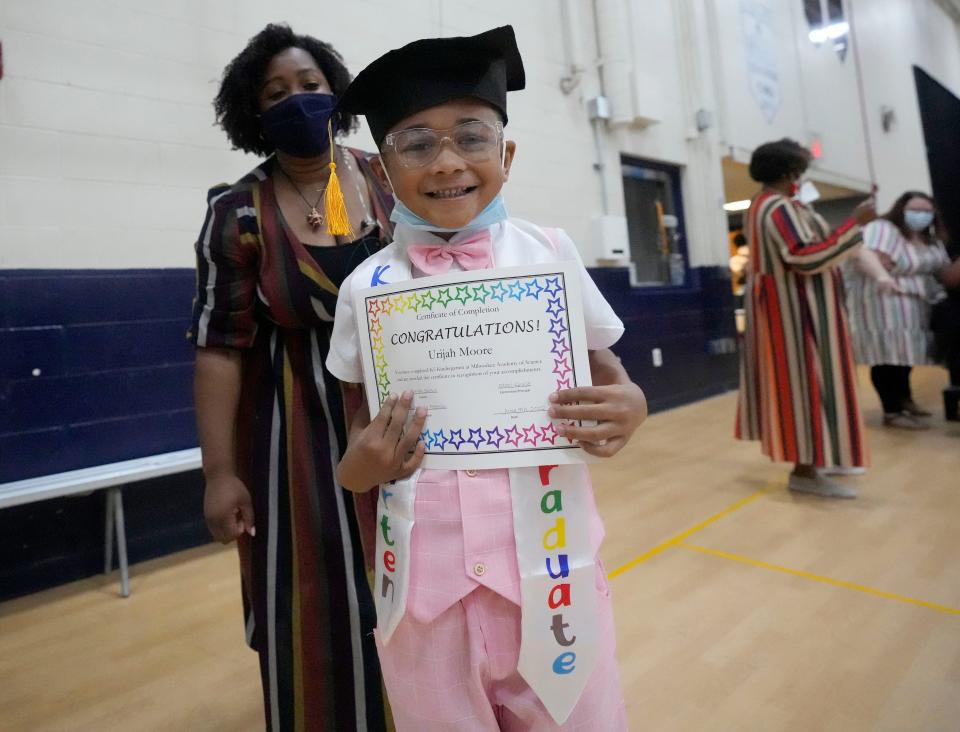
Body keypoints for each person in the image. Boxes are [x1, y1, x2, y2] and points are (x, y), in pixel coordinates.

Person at [325, 26, 647, 731]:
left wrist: (631, 403)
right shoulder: (366, 289)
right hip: (424, 588)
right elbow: (356, 434)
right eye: (416, 143)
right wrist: (358, 469)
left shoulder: (551, 253)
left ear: (504, 153)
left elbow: (612, 376)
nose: (447, 163)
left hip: (552, 572)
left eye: (470, 137)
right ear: (384, 169)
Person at [189, 24, 393, 732]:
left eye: (310, 85)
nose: (297, 100)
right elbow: (218, 349)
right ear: (254, 112)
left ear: (336, 91)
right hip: (292, 436)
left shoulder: (392, 178)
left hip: (405, 414)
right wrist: (220, 471)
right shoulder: (236, 211)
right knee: (312, 597)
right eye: (276, 93)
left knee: (423, 578)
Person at [736, 139, 876, 499]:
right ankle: (805, 470)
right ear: (789, 172)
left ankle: (818, 459)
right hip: (795, 316)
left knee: (809, 387)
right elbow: (805, 257)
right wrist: (855, 224)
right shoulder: (775, 207)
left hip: (797, 312)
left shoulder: (774, 205)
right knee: (804, 387)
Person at [842, 192, 951, 429]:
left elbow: (941, 270)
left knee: (904, 357)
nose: (920, 216)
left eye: (926, 211)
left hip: (916, 307)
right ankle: (891, 410)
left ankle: (905, 399)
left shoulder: (930, 240)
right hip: (884, 304)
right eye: (915, 210)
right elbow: (863, 253)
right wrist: (882, 274)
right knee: (886, 358)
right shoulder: (882, 228)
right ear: (901, 209)